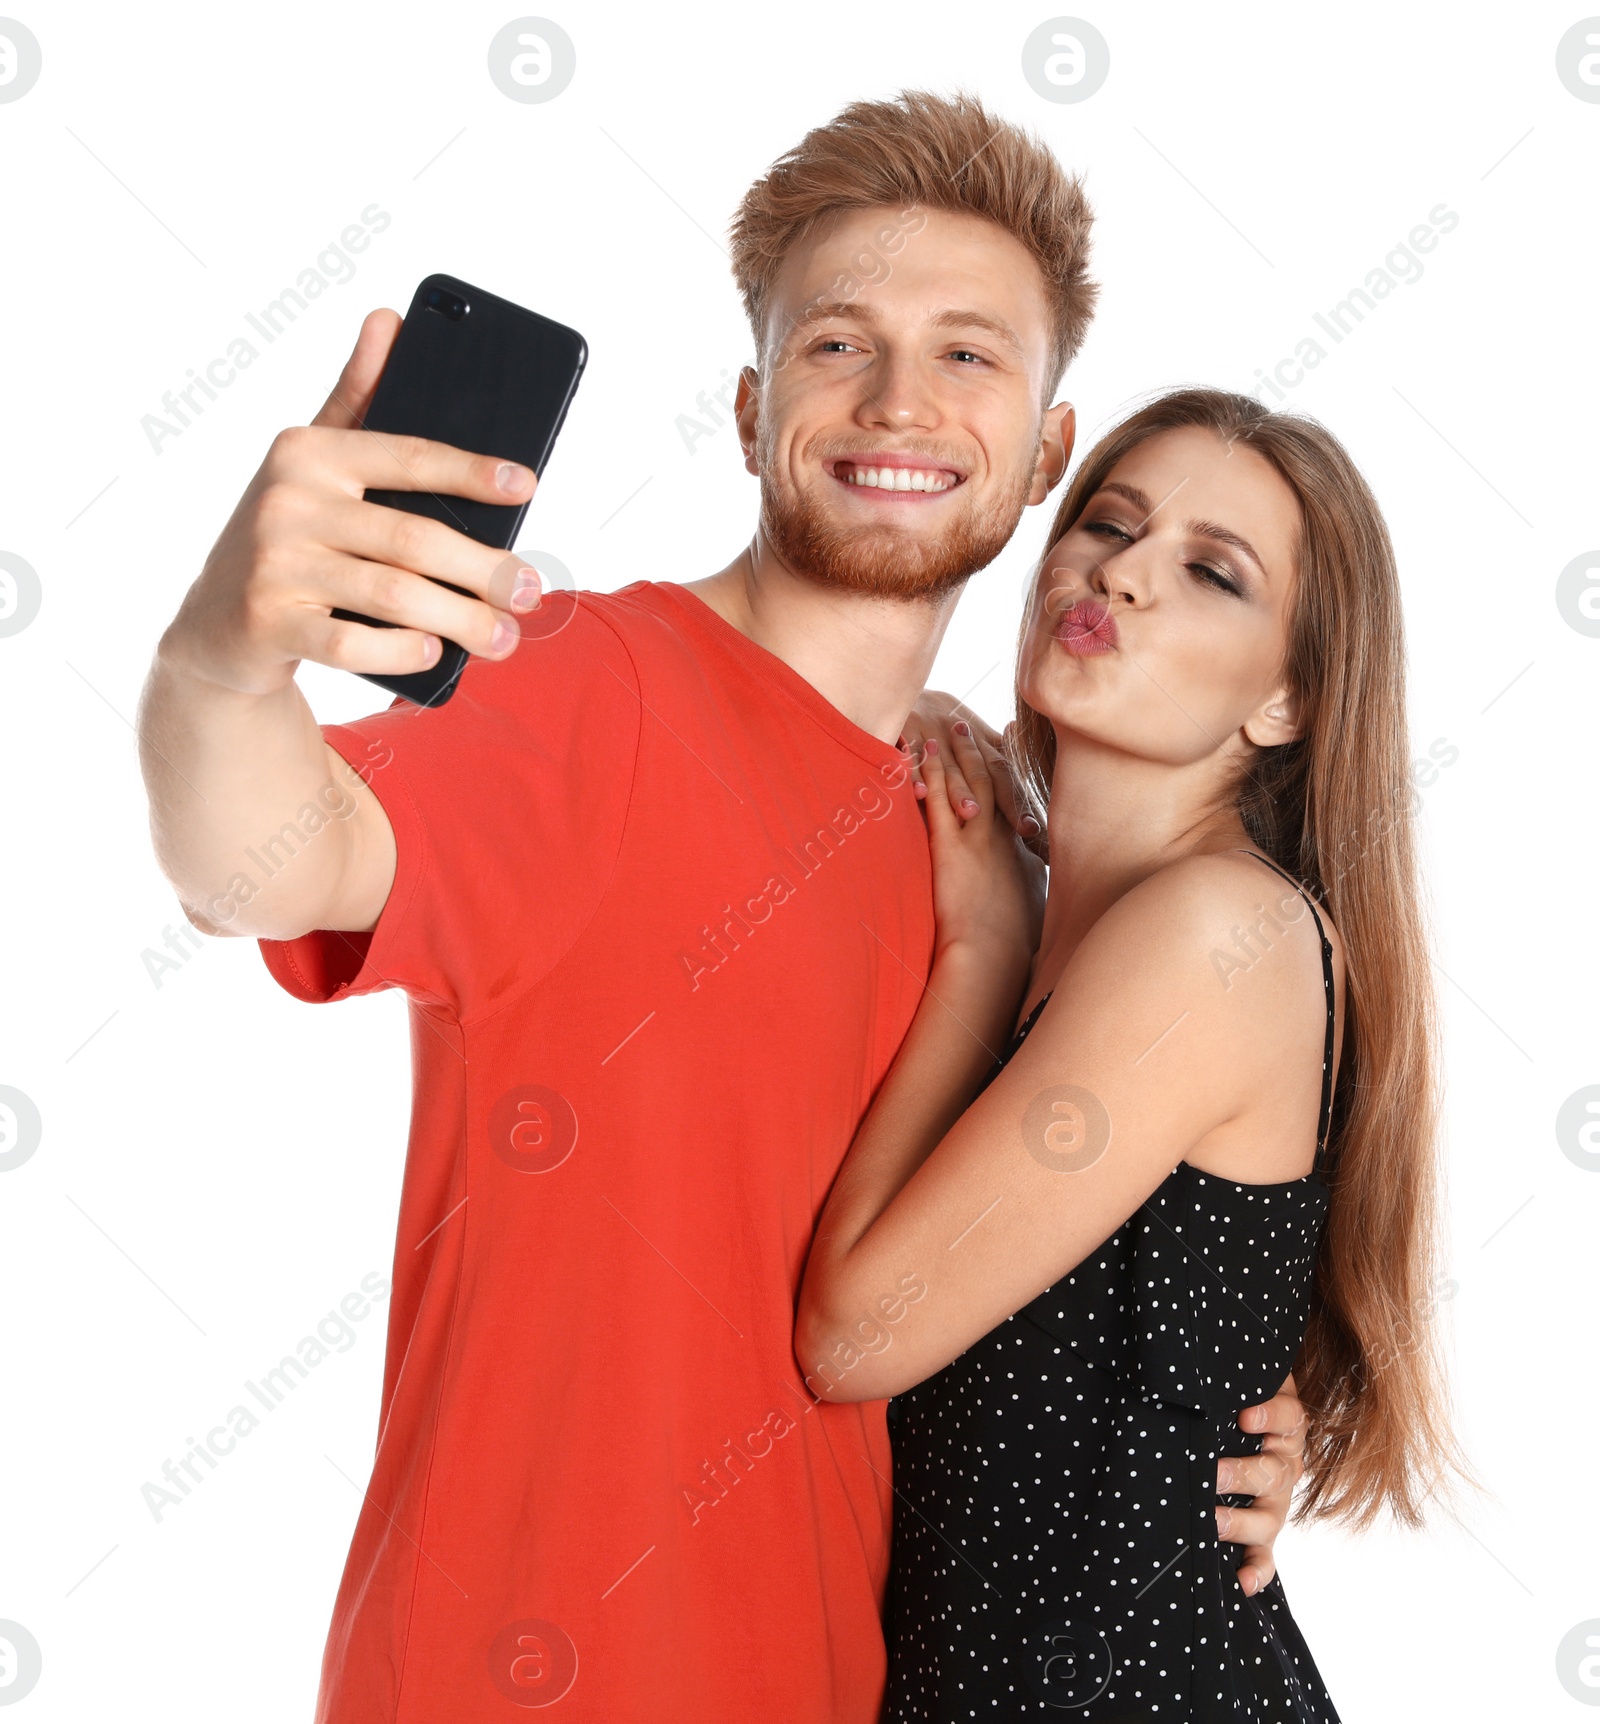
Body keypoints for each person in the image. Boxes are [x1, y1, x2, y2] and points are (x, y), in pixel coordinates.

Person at [137, 93, 1307, 1722]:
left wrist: (1237, 1416)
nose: (900, 396)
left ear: (1045, 447)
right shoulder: (590, 690)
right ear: (756, 409)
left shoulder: (992, 852)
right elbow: (257, 855)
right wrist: (220, 657)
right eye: (839, 345)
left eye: (971, 353)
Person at [795, 387, 1467, 1718]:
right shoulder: (1095, 920)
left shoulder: (1212, 934)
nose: (1124, 572)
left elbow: (848, 1336)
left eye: (1212, 572)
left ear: (1285, 698)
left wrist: (987, 946)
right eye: (1108, 523)